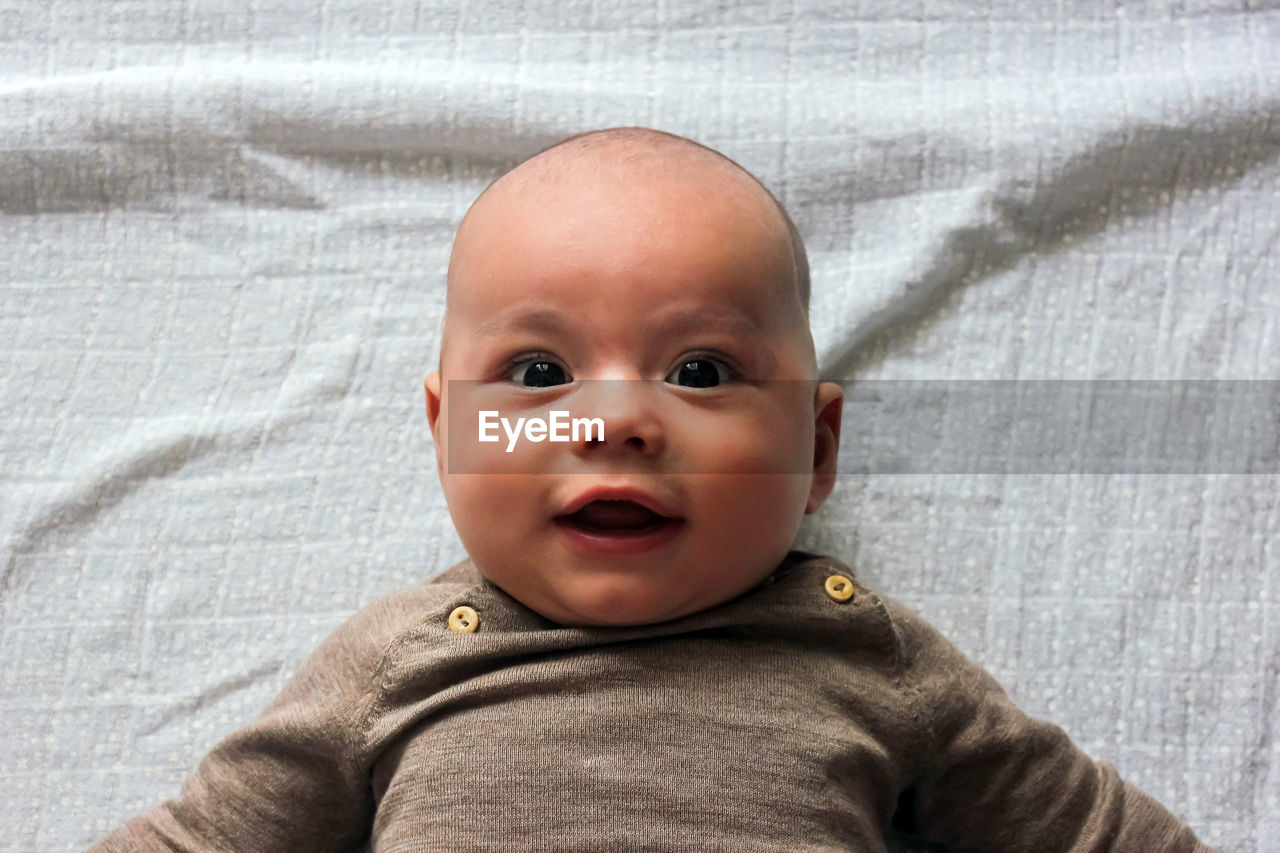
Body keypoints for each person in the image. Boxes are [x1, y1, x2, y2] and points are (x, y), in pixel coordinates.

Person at [91, 127, 1215, 851]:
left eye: (700, 372)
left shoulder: (865, 655)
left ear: (816, 449)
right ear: (447, 433)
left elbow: (1086, 828)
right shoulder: (398, 661)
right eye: (537, 375)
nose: (619, 421)